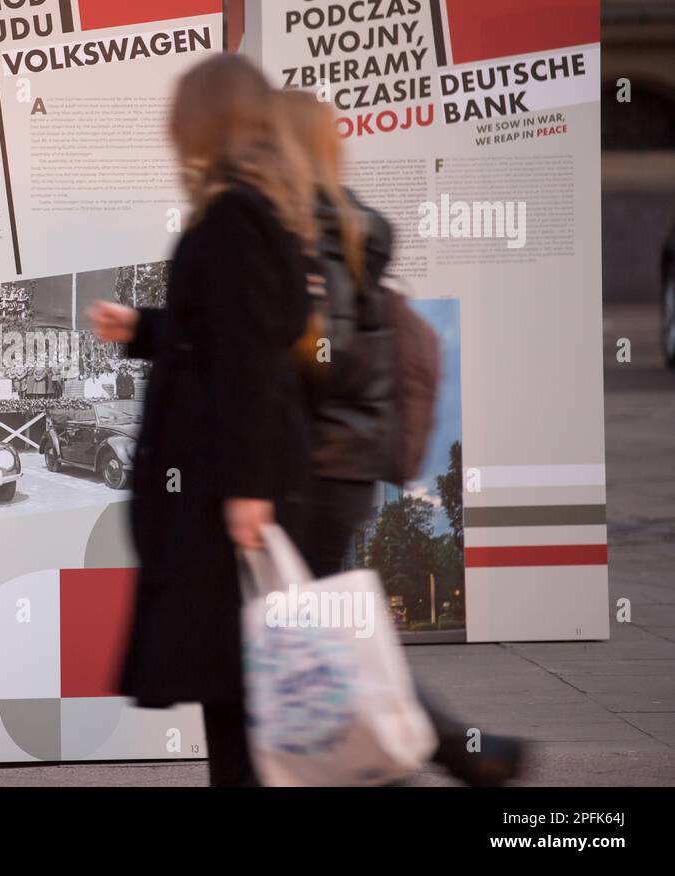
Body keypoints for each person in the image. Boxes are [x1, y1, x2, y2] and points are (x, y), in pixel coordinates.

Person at [282, 89, 524, 785]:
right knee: (332, 635)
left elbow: (322, 355)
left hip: (316, 468)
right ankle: (446, 751)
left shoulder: (314, 232)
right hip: (345, 467)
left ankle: (453, 750)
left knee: (328, 640)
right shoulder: (346, 223)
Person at [89, 54, 315, 787]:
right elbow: (223, 336)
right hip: (223, 488)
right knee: (235, 688)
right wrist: (146, 329)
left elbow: (250, 360)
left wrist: (248, 492)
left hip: (225, 493)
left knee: (240, 692)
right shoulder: (253, 211)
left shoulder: (235, 220)